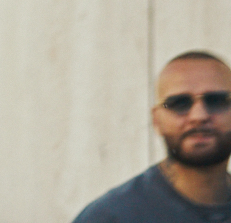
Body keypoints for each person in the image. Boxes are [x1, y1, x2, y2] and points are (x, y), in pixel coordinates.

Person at [74, 51, 231, 221]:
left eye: (217, 101)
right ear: (157, 120)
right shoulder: (108, 217)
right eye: (179, 103)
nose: (199, 116)